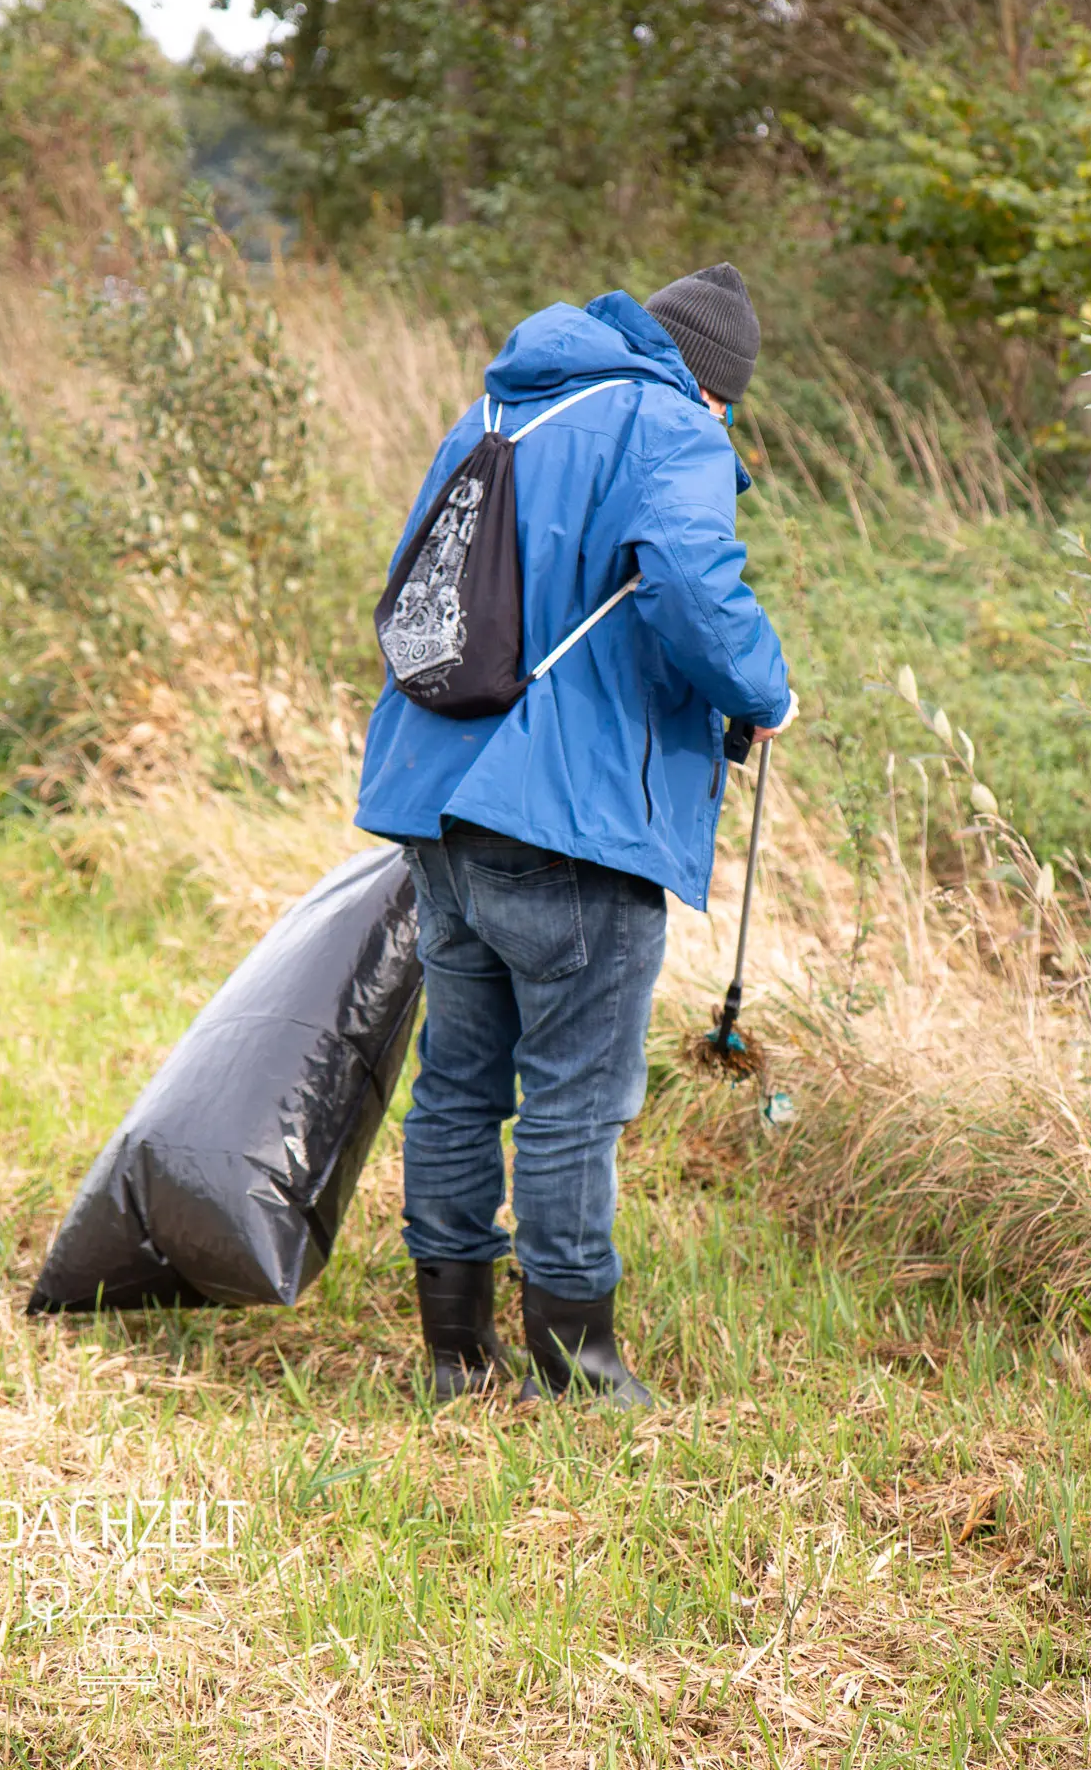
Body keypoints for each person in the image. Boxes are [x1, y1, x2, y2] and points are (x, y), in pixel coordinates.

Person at [355, 263, 797, 1407]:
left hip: (438, 796)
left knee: (459, 1084)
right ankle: (576, 1370)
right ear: (715, 387)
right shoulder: (672, 425)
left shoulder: (498, 407)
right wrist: (766, 691)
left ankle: (457, 1354)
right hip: (570, 817)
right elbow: (692, 586)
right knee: (573, 1099)